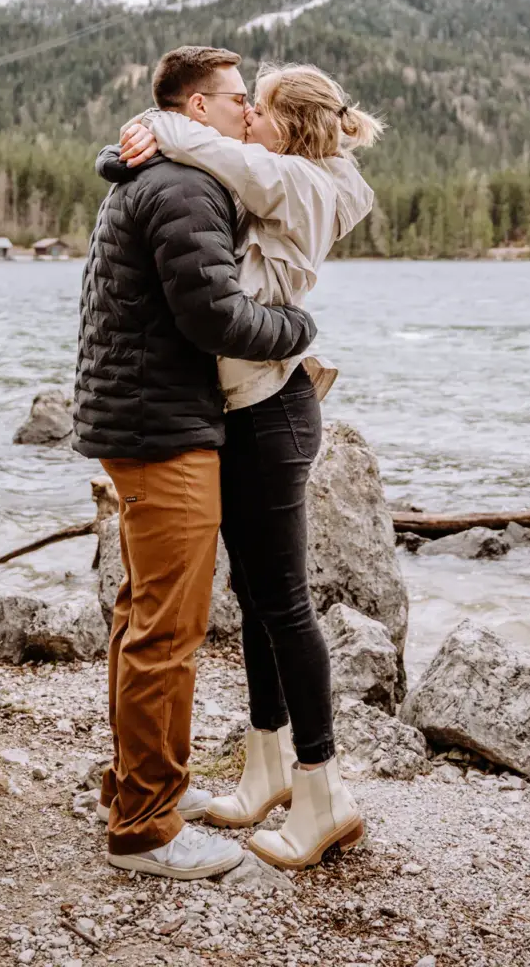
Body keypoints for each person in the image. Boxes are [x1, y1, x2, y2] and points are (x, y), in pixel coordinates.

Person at [116, 61, 383, 870]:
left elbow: (223, 158)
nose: (247, 120)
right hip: (251, 408)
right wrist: (132, 147)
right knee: (255, 597)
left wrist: (159, 126)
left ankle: (322, 787)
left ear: (287, 126)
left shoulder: (303, 183)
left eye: (257, 107)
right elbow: (214, 161)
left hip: (274, 413)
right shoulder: (294, 174)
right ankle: (266, 767)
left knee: (287, 605)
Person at [73, 46, 318, 882]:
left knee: (139, 615)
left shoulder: (159, 173)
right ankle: (146, 827)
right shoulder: (184, 186)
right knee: (166, 632)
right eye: (238, 99)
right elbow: (217, 316)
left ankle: (129, 793)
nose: (249, 113)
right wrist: (299, 331)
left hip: (140, 420)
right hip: (163, 430)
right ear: (197, 109)